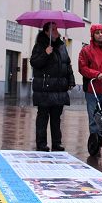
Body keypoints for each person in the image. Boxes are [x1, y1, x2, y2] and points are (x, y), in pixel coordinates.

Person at [30, 22, 75, 152]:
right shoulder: (39, 46)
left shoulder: (61, 46)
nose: (56, 31)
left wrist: (71, 80)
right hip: (45, 88)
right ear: (46, 32)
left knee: (56, 118)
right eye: (53, 29)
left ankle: (57, 143)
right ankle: (42, 144)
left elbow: (67, 64)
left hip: (59, 89)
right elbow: (34, 62)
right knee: (43, 118)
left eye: (56, 29)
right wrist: (45, 53)